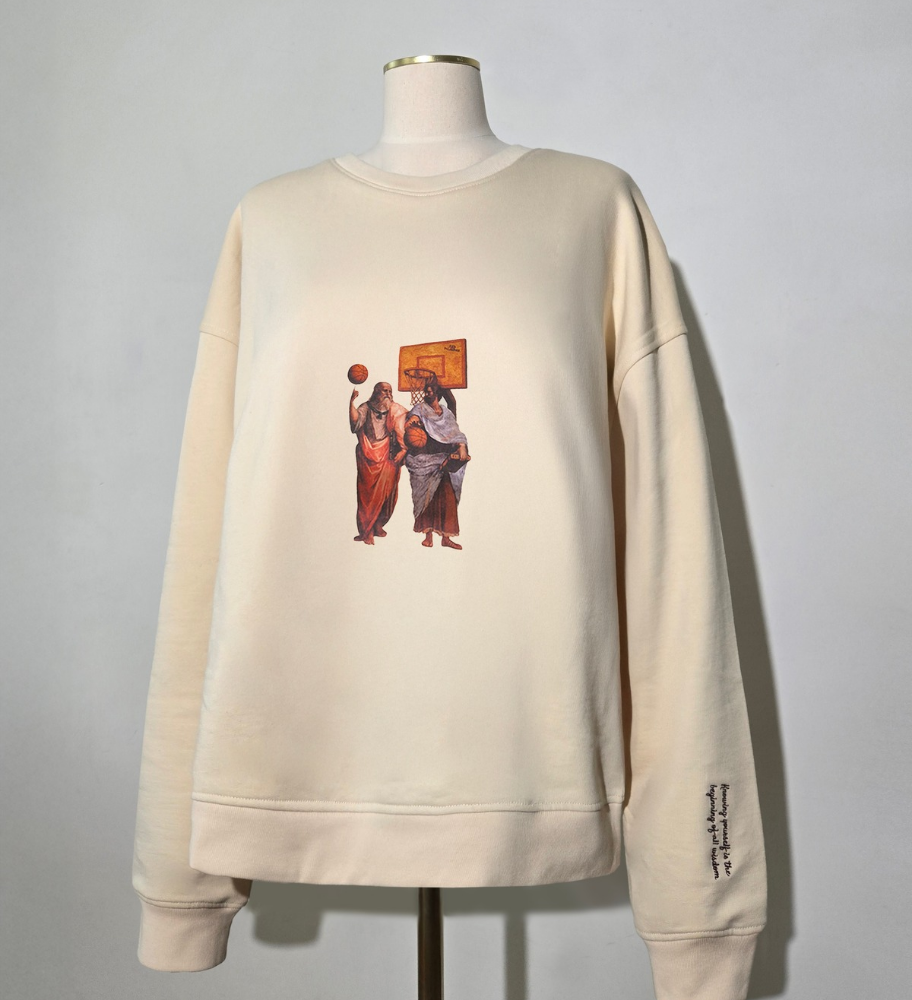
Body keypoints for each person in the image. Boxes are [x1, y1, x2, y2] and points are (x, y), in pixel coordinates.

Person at [402, 374, 471, 548]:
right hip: (425, 459)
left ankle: (446, 538)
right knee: (427, 498)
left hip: (444, 459)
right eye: (426, 391)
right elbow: (413, 419)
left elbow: (456, 433)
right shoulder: (420, 409)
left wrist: (462, 446)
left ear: (438, 393)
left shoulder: (446, 413)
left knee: (448, 497)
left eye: (431, 391)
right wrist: (412, 422)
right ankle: (428, 536)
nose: (427, 393)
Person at [349, 381, 408, 544]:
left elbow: (408, 423)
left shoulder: (396, 409)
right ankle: (366, 531)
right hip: (368, 454)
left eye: (390, 391)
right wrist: (351, 403)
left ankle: (378, 524)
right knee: (368, 496)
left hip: (388, 455)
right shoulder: (366, 407)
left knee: (388, 493)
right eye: (384, 391)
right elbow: (355, 423)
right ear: (376, 392)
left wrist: (404, 450)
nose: (388, 394)